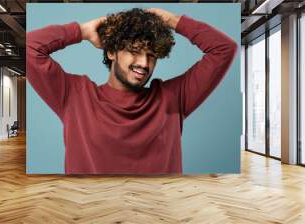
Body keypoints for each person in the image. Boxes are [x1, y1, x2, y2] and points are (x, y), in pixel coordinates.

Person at [27, 8, 237, 174]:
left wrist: (174, 21)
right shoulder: (74, 96)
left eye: (152, 55)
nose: (144, 63)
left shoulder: (172, 98)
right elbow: (30, 47)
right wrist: (81, 31)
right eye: (134, 51)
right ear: (111, 52)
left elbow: (224, 49)